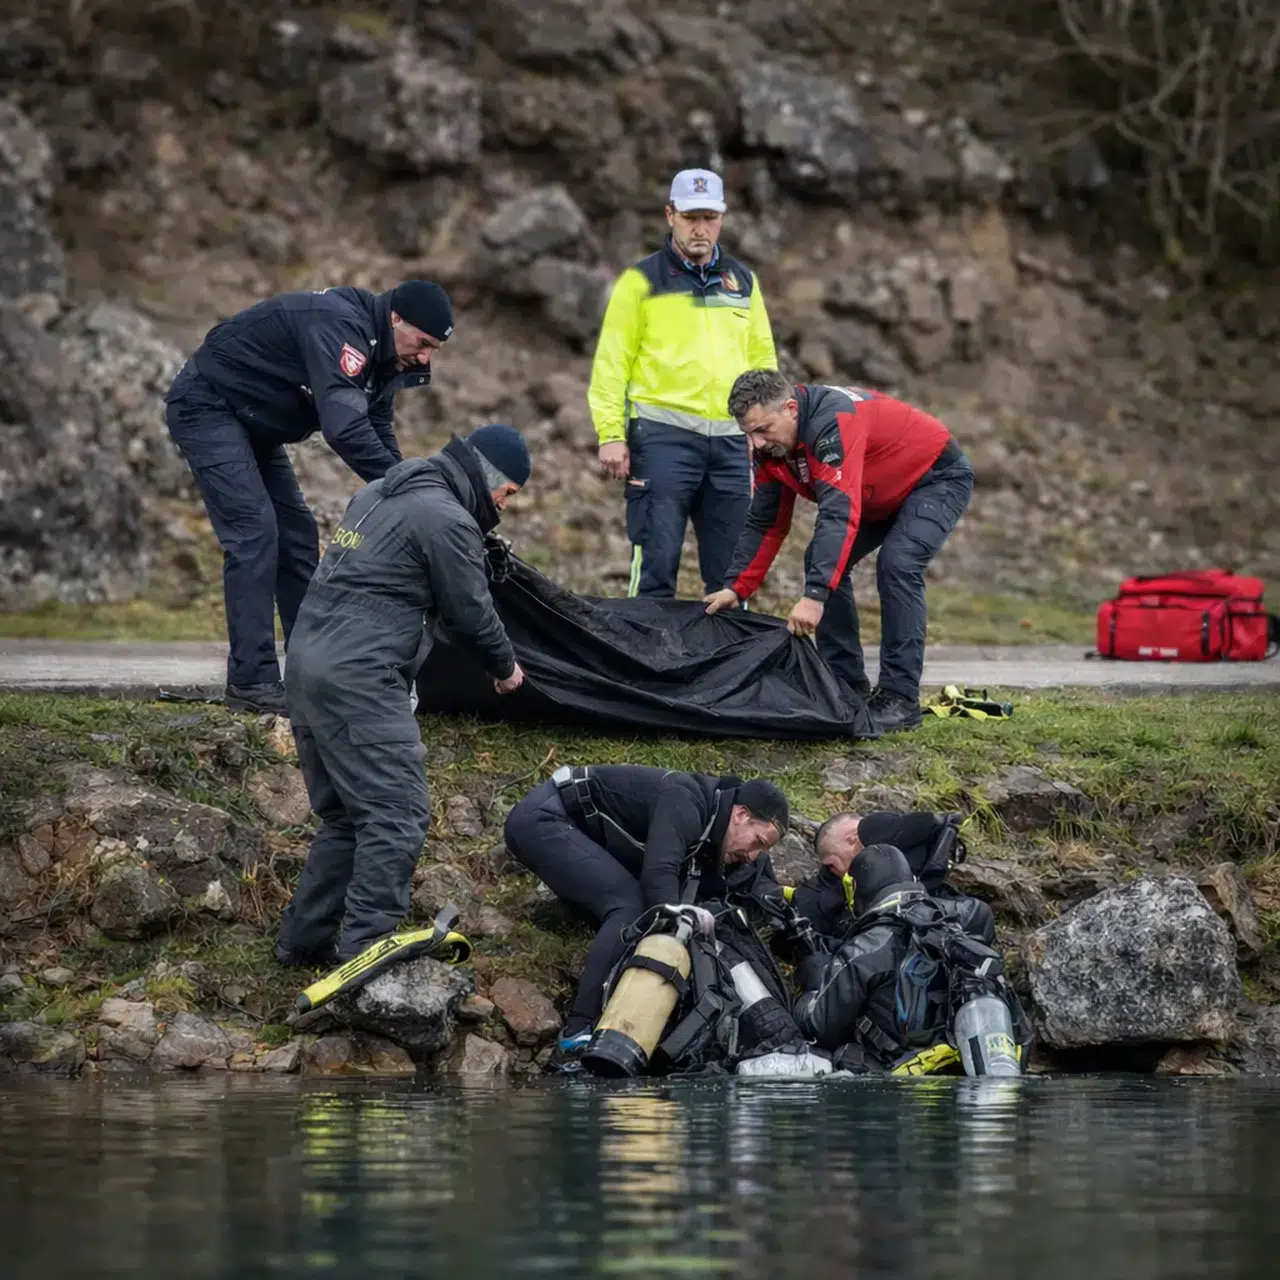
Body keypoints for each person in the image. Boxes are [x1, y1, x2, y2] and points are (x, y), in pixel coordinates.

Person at [274, 424, 531, 966]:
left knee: (347, 817)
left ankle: (304, 944)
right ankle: (366, 954)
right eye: (509, 493)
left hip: (304, 665)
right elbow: (469, 610)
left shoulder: (376, 493)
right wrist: (505, 667)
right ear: (489, 478)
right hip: (360, 679)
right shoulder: (445, 518)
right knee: (397, 815)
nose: (506, 506)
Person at [164, 280, 455, 714]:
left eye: (434, 350)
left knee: (296, 533)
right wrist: (416, 487)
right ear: (396, 318)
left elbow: (376, 428)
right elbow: (345, 429)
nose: (425, 357)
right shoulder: (341, 328)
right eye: (423, 343)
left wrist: (411, 487)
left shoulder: (384, 353)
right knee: (254, 533)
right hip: (208, 405)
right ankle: (251, 680)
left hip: (253, 421)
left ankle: (313, 670)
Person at [703, 371, 975, 734]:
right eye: (747, 433)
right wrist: (736, 587)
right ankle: (846, 685)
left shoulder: (832, 423)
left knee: (898, 563)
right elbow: (765, 522)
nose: (755, 443)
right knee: (822, 557)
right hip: (878, 492)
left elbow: (837, 512)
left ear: (790, 409)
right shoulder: (770, 448)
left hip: (934, 479)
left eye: (763, 430)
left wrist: (815, 596)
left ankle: (899, 697)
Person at [503, 765, 790, 1062]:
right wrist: (676, 910)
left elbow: (750, 883)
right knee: (629, 907)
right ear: (740, 815)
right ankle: (576, 1032)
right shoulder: (687, 799)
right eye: (757, 842)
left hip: (582, 834)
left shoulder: (717, 824)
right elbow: (658, 875)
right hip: (543, 819)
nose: (753, 854)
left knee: (638, 907)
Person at [587, 168, 777, 599]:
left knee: (733, 576)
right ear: (670, 215)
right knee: (655, 565)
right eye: (691, 217)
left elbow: (762, 361)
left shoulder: (743, 282)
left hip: (731, 446)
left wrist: (763, 428)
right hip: (662, 443)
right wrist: (611, 434)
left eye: (709, 217)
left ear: (722, 220)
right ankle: (645, 665)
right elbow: (612, 362)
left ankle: (729, 666)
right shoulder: (641, 282)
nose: (700, 228)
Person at [792, 843, 1003, 1069]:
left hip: (902, 1079)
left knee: (840, 1054)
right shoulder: (954, 923)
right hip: (960, 1062)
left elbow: (819, 1027)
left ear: (853, 886)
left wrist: (811, 988)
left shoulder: (866, 947)